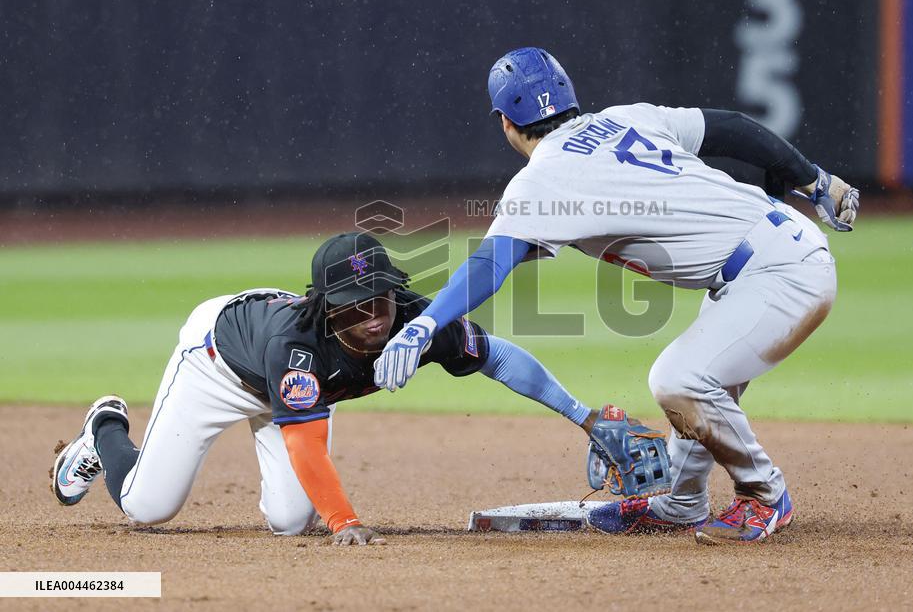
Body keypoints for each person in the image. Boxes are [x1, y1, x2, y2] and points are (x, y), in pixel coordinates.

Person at [374, 47, 860, 544]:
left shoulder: (540, 181)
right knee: (706, 374)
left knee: (681, 379)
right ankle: (684, 502)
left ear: (504, 122)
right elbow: (733, 128)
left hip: (781, 271)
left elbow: (489, 263)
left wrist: (424, 324)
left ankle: (764, 496)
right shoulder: (627, 118)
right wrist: (813, 179)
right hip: (772, 256)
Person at [51, 232, 605, 545]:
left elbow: (499, 357)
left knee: (291, 524)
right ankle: (104, 429)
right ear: (329, 305)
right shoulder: (298, 349)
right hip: (219, 364)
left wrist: (587, 419)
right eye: (356, 303)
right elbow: (305, 444)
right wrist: (346, 521)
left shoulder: (412, 322)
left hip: (289, 379)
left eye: (382, 297)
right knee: (148, 509)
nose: (374, 315)